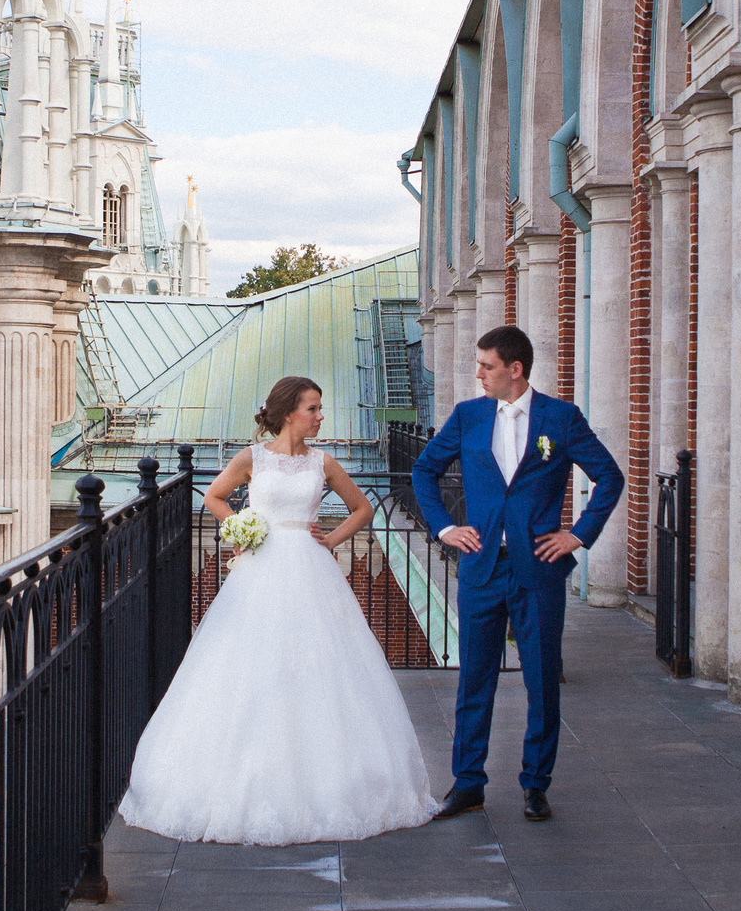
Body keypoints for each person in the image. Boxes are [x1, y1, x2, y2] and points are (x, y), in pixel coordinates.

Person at [117, 375, 435, 844]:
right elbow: (214, 497)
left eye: (320, 408)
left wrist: (329, 539)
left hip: (309, 567)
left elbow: (362, 510)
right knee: (248, 665)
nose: (320, 415)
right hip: (260, 567)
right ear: (289, 412)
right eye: (313, 408)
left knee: (319, 666)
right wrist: (243, 528)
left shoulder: (323, 463)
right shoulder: (253, 457)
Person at [413, 324, 625, 826]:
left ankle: (536, 784)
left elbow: (610, 476)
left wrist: (577, 534)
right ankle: (468, 785)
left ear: (516, 369)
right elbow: (425, 471)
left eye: (486, 366)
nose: (478, 373)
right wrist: (444, 527)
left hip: (539, 570)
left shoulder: (561, 417)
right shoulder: (467, 416)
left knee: (541, 679)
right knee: (474, 679)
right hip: (482, 569)